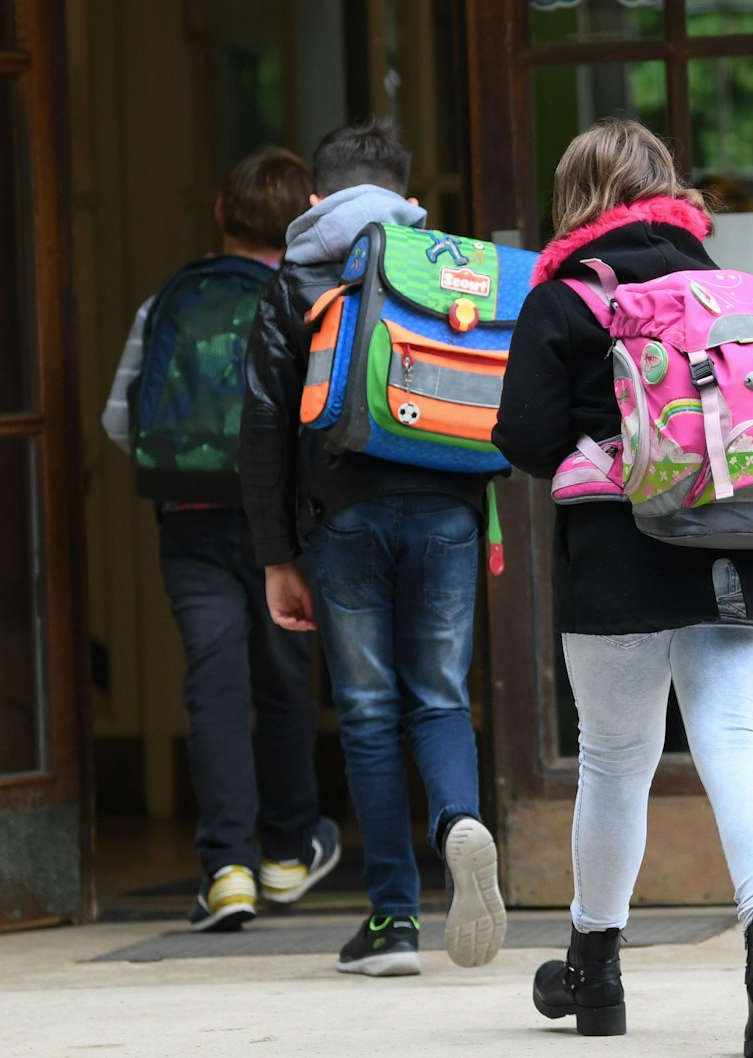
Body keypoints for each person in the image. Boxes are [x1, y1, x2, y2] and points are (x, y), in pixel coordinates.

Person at [494, 117, 753, 1058]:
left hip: (617, 549)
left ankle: (596, 970)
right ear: (669, 189)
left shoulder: (565, 298)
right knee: (738, 742)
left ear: (578, 196)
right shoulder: (728, 290)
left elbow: (522, 439)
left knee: (615, 760)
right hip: (744, 541)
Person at [240, 119, 507, 977]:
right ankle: (460, 818)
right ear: (406, 191)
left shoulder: (296, 278)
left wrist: (277, 554)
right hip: (448, 507)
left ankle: (393, 922)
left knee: (365, 713)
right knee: (439, 696)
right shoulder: (447, 263)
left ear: (316, 199)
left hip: (342, 516)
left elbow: (263, 423)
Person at [101, 146, 338, 933]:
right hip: (282, 528)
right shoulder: (307, 299)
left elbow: (120, 421)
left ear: (218, 217)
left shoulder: (167, 301)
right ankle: (287, 850)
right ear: (306, 215)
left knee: (214, 688)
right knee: (282, 684)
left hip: (191, 526)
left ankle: (226, 869)